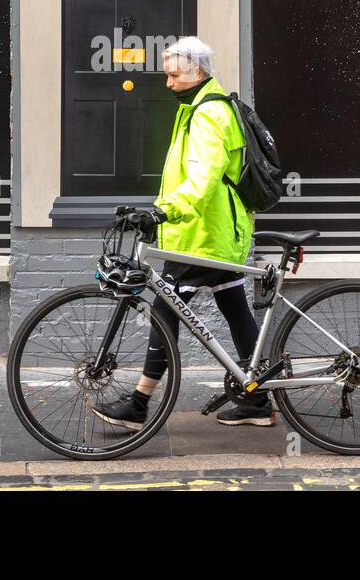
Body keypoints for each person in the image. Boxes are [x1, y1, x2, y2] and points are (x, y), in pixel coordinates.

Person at [93, 37, 273, 428]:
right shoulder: (202, 107)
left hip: (203, 236)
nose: (169, 83)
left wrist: (164, 212)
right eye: (167, 74)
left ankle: (139, 403)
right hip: (213, 232)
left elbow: (204, 179)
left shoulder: (210, 114)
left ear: (198, 72)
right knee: (234, 307)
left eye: (175, 75)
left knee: (164, 308)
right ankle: (256, 400)